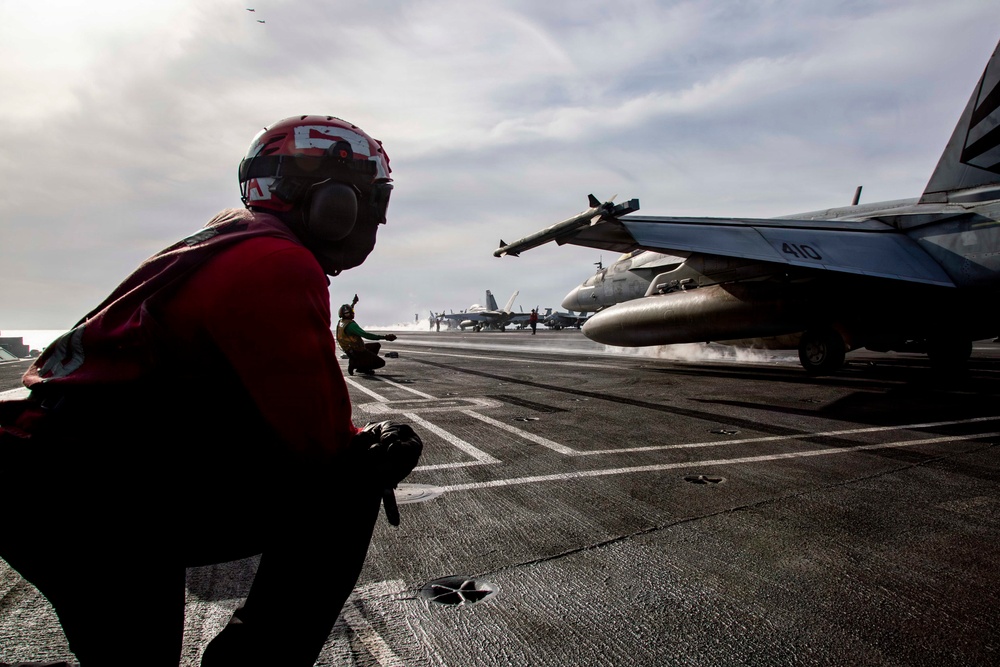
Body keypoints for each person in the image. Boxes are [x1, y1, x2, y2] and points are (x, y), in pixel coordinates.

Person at [0, 115, 422, 667]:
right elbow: (322, 444)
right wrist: (379, 444)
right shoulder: (277, 261)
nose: (375, 220)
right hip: (82, 488)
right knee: (354, 477)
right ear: (334, 202)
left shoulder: (231, 234)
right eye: (372, 201)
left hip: (62, 467)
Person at [336, 295, 397, 375]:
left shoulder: (342, 322)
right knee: (381, 363)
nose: (352, 313)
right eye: (351, 312)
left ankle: (362, 368)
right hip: (357, 351)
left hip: (350, 350)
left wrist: (353, 303)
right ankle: (355, 364)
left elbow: (348, 311)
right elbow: (366, 335)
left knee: (376, 346)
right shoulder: (351, 326)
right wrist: (385, 337)